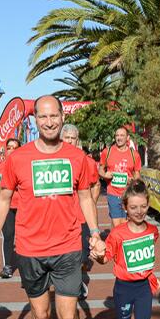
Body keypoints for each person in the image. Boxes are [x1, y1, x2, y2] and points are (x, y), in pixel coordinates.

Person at [0, 95, 104, 319]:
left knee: (66, 316)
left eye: (54, 116)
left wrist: (95, 233)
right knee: (40, 316)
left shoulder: (78, 158)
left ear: (62, 117)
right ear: (34, 120)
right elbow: (3, 200)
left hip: (67, 248)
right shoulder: (18, 158)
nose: (49, 122)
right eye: (43, 117)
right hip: (30, 249)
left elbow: (87, 197)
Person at [97, 179, 160, 319]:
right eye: (133, 207)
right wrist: (97, 253)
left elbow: (147, 258)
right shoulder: (117, 234)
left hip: (143, 288)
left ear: (148, 204)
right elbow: (106, 258)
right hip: (123, 288)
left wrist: (150, 275)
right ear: (124, 207)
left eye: (143, 206)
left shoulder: (153, 231)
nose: (139, 211)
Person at [60, 123, 101, 298]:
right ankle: (69, 284)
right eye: (66, 137)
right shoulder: (53, 161)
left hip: (81, 217)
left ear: (77, 140)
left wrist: (91, 203)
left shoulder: (87, 161)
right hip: (59, 217)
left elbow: (96, 184)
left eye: (72, 138)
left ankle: (76, 281)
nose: (69, 141)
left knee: (81, 253)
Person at [0, 138, 21, 279]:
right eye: (9, 148)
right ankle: (7, 267)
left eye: (15, 148)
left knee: (22, 237)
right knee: (8, 236)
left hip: (22, 205)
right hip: (6, 207)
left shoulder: (24, 165)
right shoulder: (0, 166)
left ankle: (27, 267)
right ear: (5, 150)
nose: (12, 150)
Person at [99, 126, 142, 227]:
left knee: (126, 223)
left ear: (127, 138)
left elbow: (137, 176)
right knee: (117, 224)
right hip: (113, 193)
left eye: (122, 135)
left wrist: (132, 181)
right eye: (117, 135)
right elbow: (100, 170)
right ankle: (116, 241)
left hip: (128, 194)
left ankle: (119, 241)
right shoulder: (107, 152)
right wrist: (105, 174)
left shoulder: (134, 155)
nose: (119, 138)